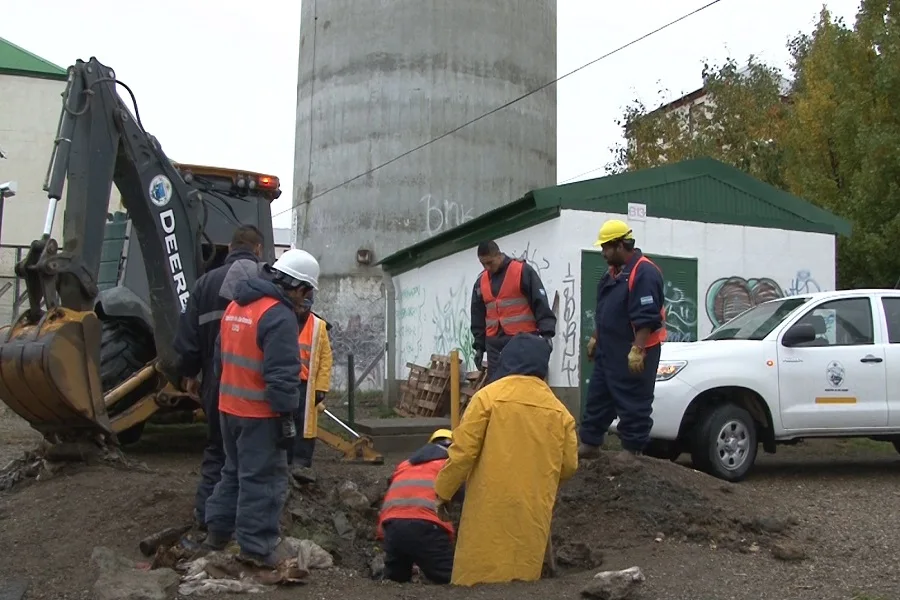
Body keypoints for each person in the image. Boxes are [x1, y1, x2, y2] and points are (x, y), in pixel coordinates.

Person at [202, 249, 321, 568]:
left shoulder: (236, 305)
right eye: (307, 292)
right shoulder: (278, 314)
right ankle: (257, 547)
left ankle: (217, 533)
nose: (306, 300)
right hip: (260, 414)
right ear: (298, 287)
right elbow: (282, 375)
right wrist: (287, 417)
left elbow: (218, 361)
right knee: (264, 479)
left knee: (233, 472)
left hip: (229, 407)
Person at [433, 333, 578, 586]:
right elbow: (568, 466)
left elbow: (462, 453)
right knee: (521, 584)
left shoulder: (487, 398)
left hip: (488, 509)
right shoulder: (560, 412)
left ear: (507, 362)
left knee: (475, 583)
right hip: (532, 510)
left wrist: (442, 492)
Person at [172, 224, 266, 529]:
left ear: (230, 248)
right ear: (258, 249)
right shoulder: (265, 280)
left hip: (215, 383)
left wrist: (188, 374)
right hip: (255, 385)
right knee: (254, 458)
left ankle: (207, 517)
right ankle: (246, 523)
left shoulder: (203, 284)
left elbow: (186, 337)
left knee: (216, 451)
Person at [578, 219, 666, 459]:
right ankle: (591, 442)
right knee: (598, 396)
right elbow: (605, 311)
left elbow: (647, 316)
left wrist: (638, 348)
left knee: (633, 399)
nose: (603, 253)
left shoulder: (644, 272)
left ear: (620, 245)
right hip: (609, 349)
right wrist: (596, 337)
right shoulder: (612, 275)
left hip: (634, 350)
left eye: (606, 247)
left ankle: (632, 448)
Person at [375, 429, 463, 584]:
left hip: (392, 526)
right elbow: (464, 497)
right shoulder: (450, 465)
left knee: (396, 580)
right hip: (428, 527)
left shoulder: (405, 464)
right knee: (450, 581)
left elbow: (392, 487)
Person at [469, 240, 556, 383]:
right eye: (483, 264)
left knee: (523, 385)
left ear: (498, 255)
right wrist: (479, 346)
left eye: (490, 263)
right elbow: (477, 315)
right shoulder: (481, 281)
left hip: (522, 342)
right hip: (494, 345)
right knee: (497, 389)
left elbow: (540, 302)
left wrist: (547, 333)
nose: (487, 268)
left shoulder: (522, 271)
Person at [287, 281, 333, 485]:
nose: (301, 310)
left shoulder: (318, 326)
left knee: (305, 425)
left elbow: (325, 358)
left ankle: (302, 464)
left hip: (307, 385)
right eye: (300, 306)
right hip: (286, 382)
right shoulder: (283, 319)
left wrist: (321, 388)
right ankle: (285, 462)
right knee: (285, 423)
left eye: (305, 307)